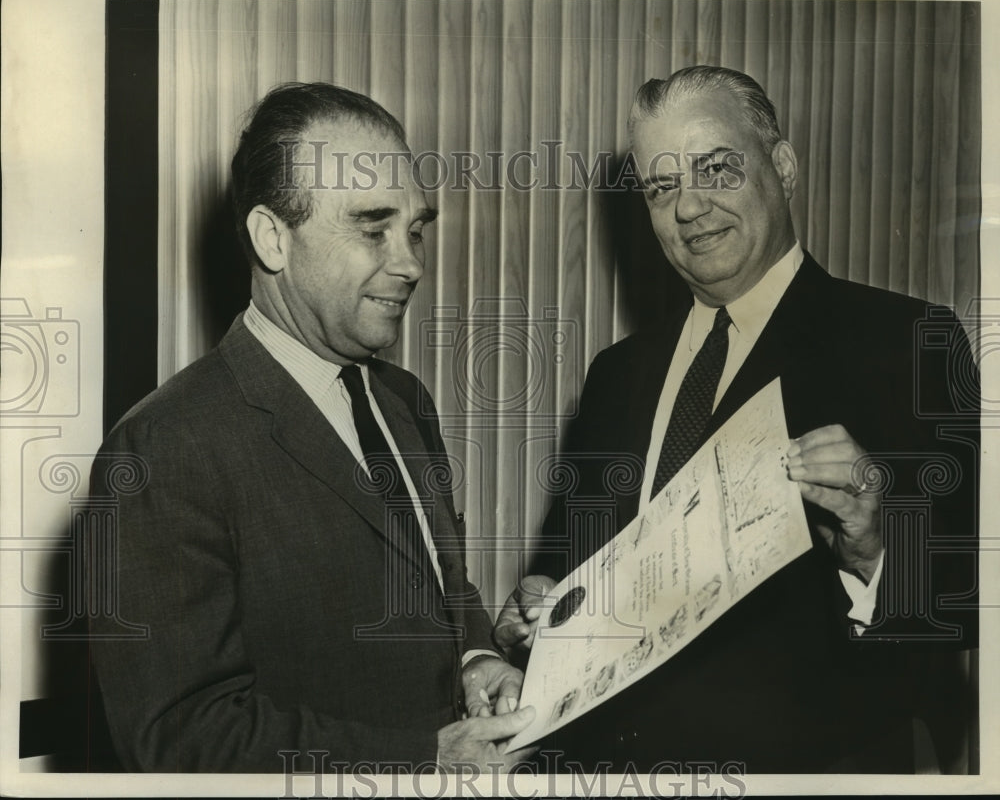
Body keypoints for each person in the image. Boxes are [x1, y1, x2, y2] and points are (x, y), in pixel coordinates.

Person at [495, 66, 979, 773]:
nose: (688, 207)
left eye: (715, 168)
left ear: (782, 167)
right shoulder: (616, 374)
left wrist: (874, 545)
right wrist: (537, 612)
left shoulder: (909, 341)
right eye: (661, 187)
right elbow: (564, 569)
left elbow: (964, 600)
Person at [88, 82, 534, 773]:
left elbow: (445, 584)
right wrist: (422, 761)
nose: (411, 262)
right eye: (372, 226)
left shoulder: (405, 401)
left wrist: (475, 655)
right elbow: (180, 738)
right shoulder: (163, 448)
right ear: (273, 238)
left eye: (415, 229)